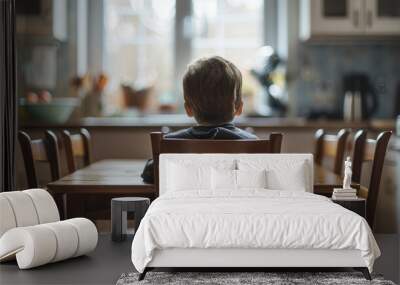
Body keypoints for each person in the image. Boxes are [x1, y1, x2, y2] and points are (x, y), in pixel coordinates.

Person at [141, 56, 257, 183]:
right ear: (239, 107)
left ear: (188, 109)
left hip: (185, 203)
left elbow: (150, 174)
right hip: (236, 203)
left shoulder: (171, 144)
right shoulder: (252, 144)